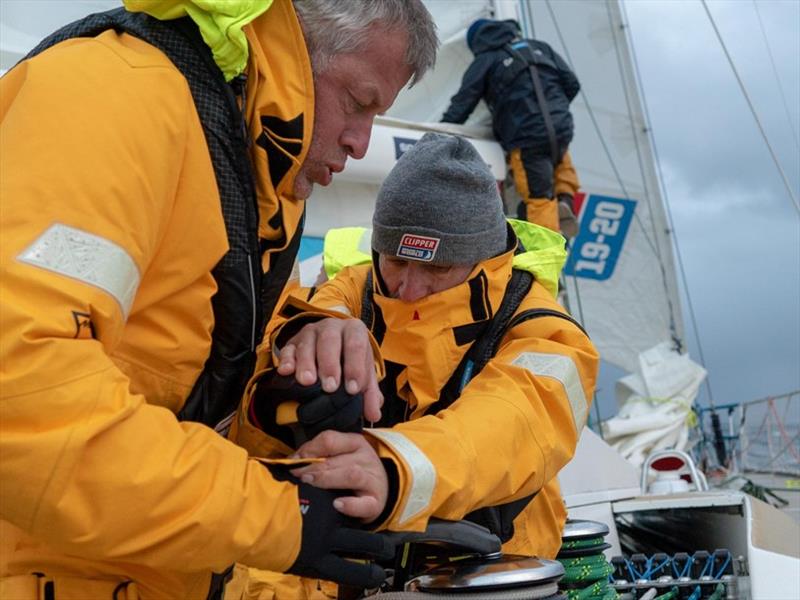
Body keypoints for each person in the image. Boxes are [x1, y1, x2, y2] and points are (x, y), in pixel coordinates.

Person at [0, 0, 438, 598]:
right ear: (292, 48)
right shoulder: (111, 96)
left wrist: (291, 361)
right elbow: (21, 389)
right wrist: (280, 518)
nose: (362, 143)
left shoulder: (254, 184)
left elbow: (173, 374)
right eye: (359, 104)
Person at [234, 132, 599, 597]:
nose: (408, 287)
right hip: (339, 573)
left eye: (436, 269)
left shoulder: (545, 331)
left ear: (482, 258)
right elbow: (254, 427)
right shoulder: (344, 294)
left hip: (487, 579)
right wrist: (291, 358)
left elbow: (511, 425)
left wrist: (394, 468)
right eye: (397, 260)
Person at [440, 18, 581, 238]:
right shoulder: (538, 47)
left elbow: (463, 102)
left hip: (525, 136)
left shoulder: (486, 60)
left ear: (477, 42)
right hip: (561, 126)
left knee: (538, 198)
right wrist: (554, 110)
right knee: (560, 156)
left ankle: (543, 253)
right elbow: (572, 83)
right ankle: (565, 199)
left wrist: (441, 132)